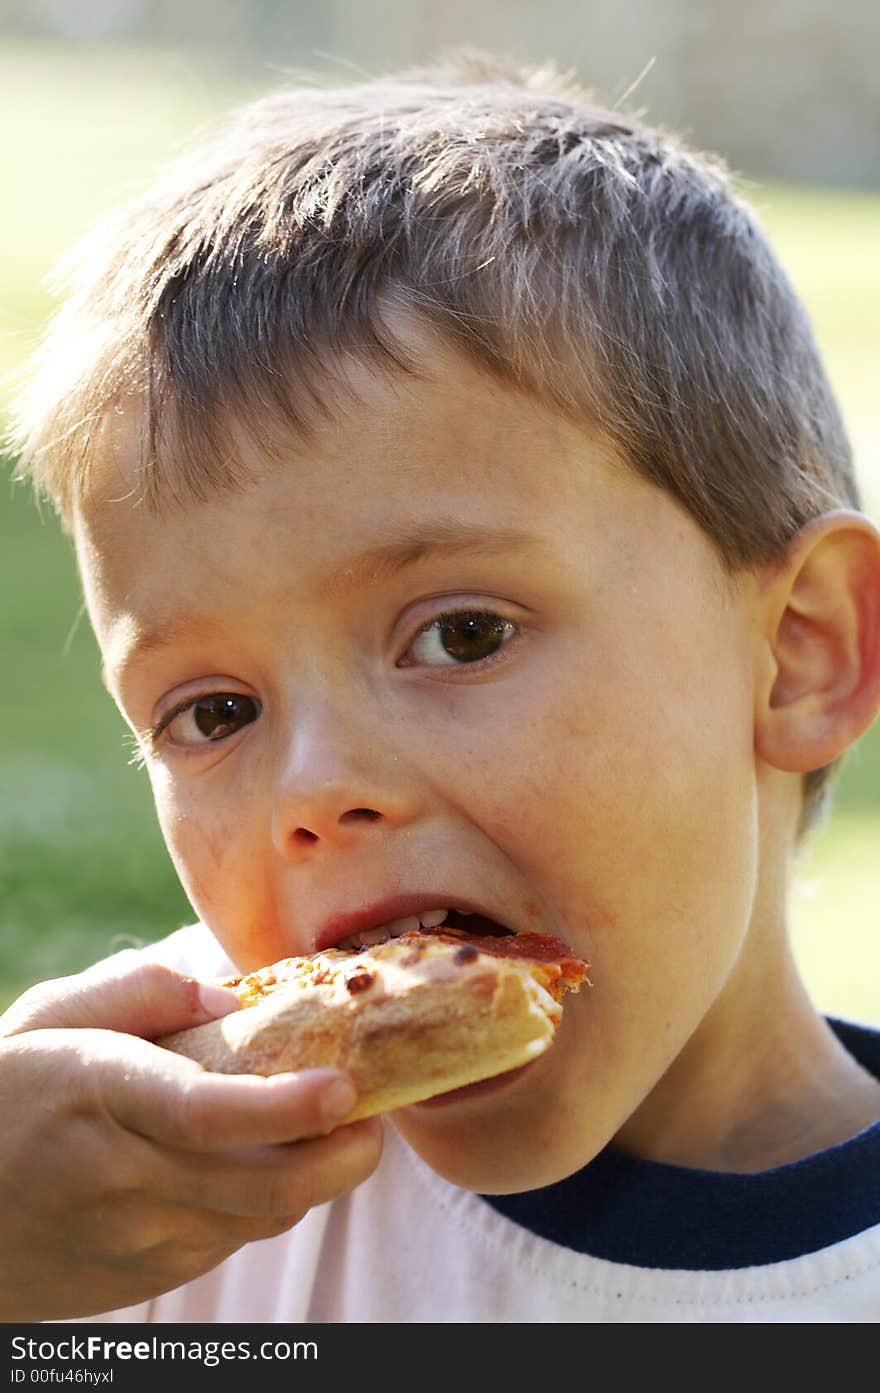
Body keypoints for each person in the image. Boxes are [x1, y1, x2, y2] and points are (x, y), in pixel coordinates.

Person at [3, 52, 880, 1324]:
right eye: (213, 713)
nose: (316, 790)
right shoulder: (137, 1221)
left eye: (462, 634)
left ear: (802, 649)